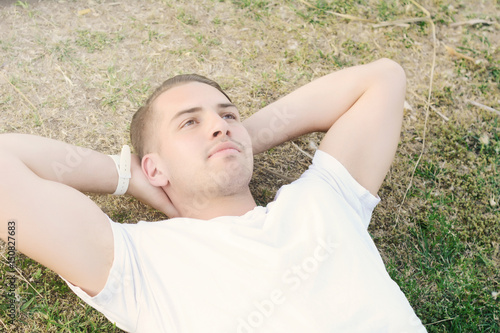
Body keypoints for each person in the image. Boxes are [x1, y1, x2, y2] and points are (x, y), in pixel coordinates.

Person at [0, 58, 427, 332]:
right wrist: (127, 175)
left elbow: (382, 78)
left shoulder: (324, 200)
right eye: (189, 123)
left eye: (227, 115)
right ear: (155, 167)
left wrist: (233, 143)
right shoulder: (137, 263)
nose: (219, 124)